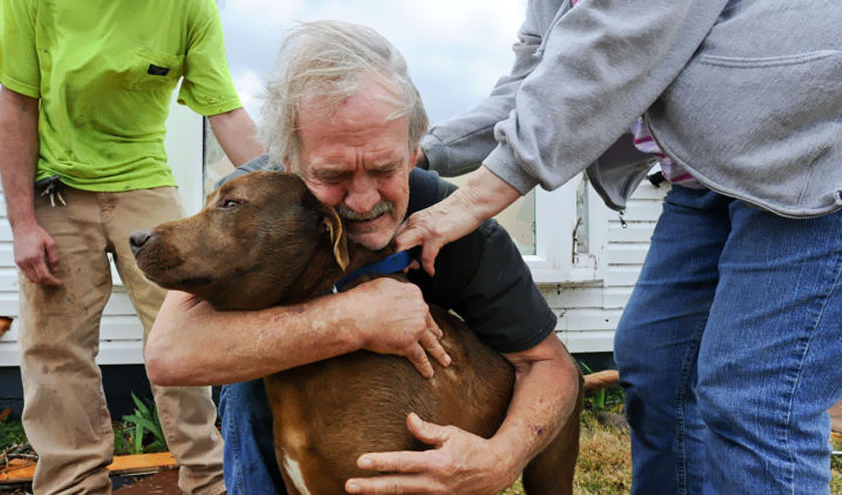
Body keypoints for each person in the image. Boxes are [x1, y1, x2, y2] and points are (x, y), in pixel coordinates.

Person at [394, 0, 842, 494]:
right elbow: (535, 84)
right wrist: (415, 153)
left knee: (755, 395)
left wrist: (479, 195)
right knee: (657, 365)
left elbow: (619, 36)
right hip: (708, 179)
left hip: (811, 158)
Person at [144, 20, 581, 495]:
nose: (361, 199)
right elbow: (170, 354)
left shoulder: (455, 221)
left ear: (413, 152)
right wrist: (353, 317)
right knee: (248, 374)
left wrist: (499, 460)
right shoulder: (264, 196)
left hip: (417, 399)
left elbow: (550, 365)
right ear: (288, 161)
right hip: (297, 399)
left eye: (383, 167)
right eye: (332, 174)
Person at [0, 1, 264, 493]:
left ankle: (210, 479)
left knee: (185, 329)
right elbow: (16, 104)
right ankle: (72, 484)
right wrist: (23, 223)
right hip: (56, 187)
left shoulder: (189, 7)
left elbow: (226, 112)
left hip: (146, 183)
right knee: (55, 347)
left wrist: (285, 188)